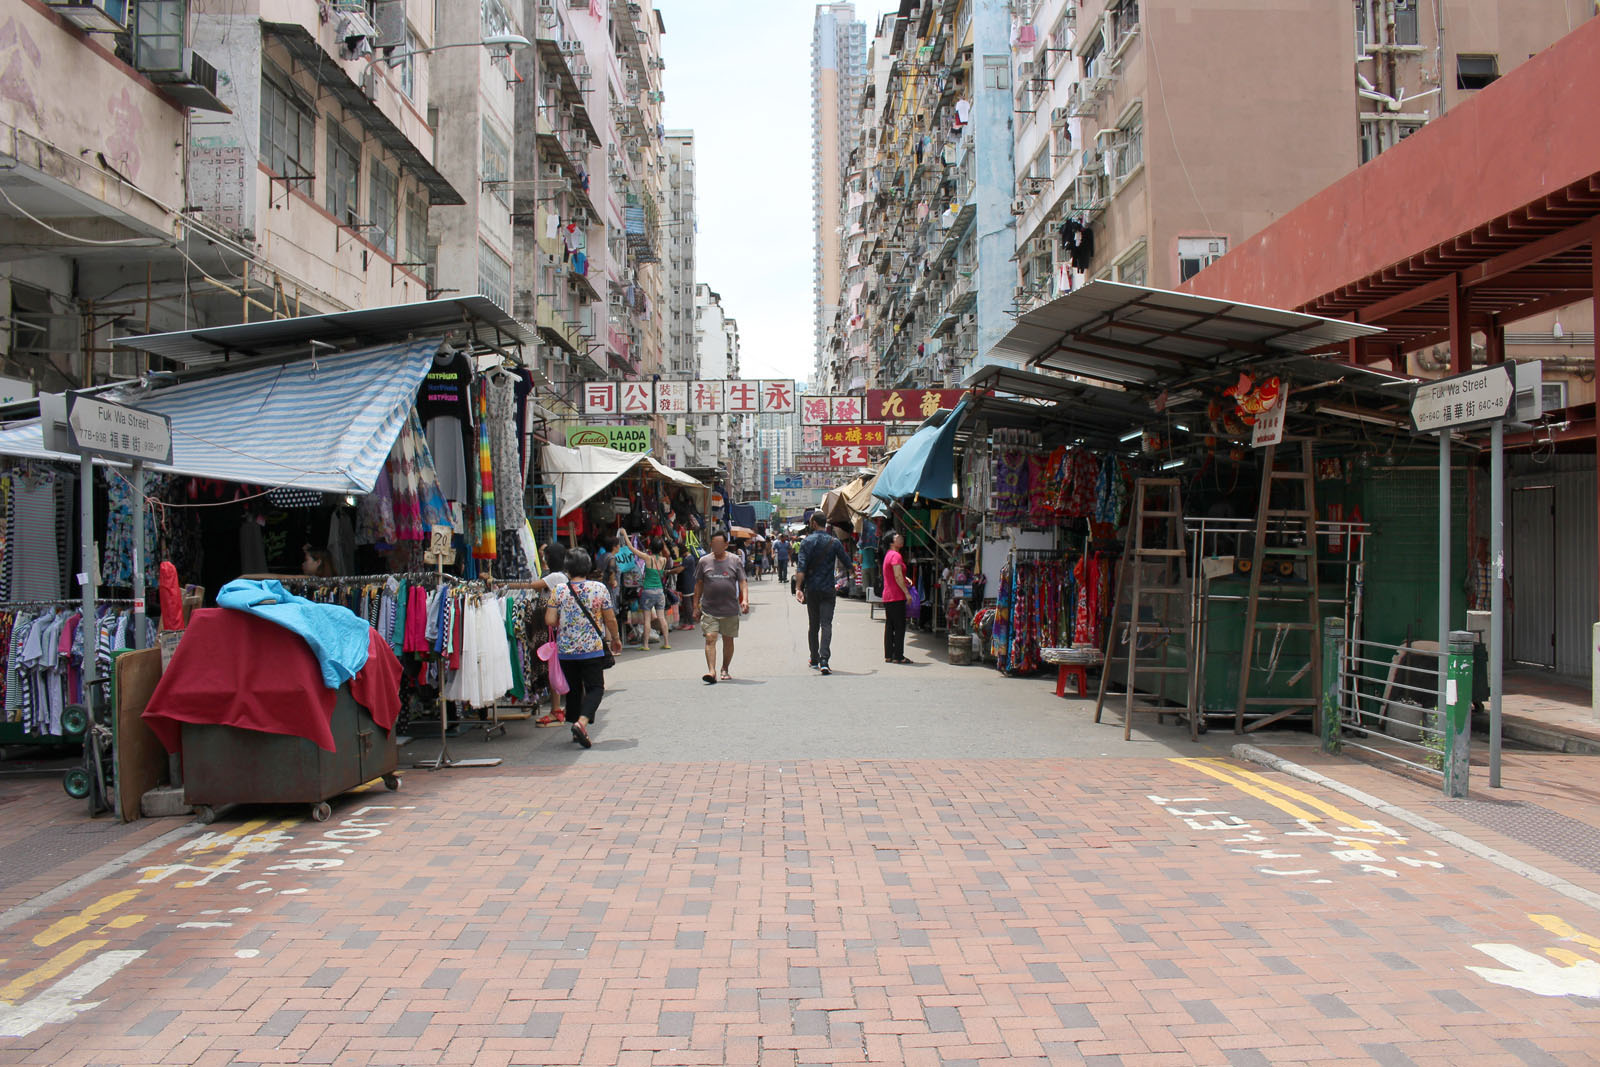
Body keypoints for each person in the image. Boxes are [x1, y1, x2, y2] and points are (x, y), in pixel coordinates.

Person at [545, 549, 622, 749]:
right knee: (595, 688)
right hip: (592, 649)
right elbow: (610, 618)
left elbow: (550, 620)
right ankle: (582, 723)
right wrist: (615, 638)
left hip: (566, 650)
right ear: (588, 566)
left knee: (573, 690)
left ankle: (575, 727)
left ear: (568, 568)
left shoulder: (559, 590)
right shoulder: (599, 588)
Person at [794, 513, 853, 675]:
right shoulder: (834, 542)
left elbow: (801, 568)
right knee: (826, 624)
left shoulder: (806, 542)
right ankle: (824, 660)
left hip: (812, 589)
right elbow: (848, 563)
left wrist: (798, 588)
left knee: (813, 625)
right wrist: (853, 575)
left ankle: (814, 658)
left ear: (813, 523)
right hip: (828, 589)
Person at [691, 531, 748, 684]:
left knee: (728, 641)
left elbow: (743, 581)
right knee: (710, 638)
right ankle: (711, 671)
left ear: (725, 545)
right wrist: (695, 606)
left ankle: (725, 668)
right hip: (709, 608)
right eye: (713, 544)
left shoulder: (735, 560)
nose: (716, 547)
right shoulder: (704, 561)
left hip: (729, 609)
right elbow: (699, 585)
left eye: (719, 544)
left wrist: (745, 600)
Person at [530, 543, 570, 728]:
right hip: (554, 630)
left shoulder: (556, 577)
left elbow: (533, 585)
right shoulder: (560, 576)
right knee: (557, 668)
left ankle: (556, 710)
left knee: (554, 668)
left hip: (551, 631)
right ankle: (560, 708)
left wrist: (499, 583)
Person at [631, 535, 672, 651]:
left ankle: (645, 645)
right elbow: (665, 553)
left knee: (647, 619)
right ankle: (667, 643)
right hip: (660, 592)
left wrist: (624, 534)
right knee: (662, 618)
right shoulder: (664, 560)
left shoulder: (648, 558)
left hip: (648, 591)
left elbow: (632, 549)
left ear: (651, 547)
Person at [881, 531, 911, 664]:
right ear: (892, 542)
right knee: (899, 626)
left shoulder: (888, 555)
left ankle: (889, 654)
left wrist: (906, 579)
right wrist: (906, 593)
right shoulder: (896, 556)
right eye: (898, 537)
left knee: (890, 625)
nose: (901, 539)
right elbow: (898, 576)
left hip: (888, 595)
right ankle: (898, 655)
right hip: (896, 595)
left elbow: (896, 575)